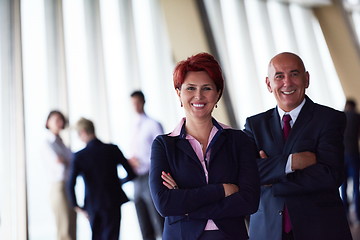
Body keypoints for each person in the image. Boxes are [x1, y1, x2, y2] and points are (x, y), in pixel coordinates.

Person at [149, 52, 260, 240]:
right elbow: (165, 204)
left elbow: (249, 201)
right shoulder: (164, 145)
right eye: (190, 88)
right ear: (179, 93)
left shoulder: (239, 140)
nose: (198, 96)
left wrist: (186, 206)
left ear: (217, 94)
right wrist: (222, 190)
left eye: (207, 88)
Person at [244, 52, 352, 240]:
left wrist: (272, 181)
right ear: (269, 84)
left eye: (294, 74)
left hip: (321, 229)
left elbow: (330, 175)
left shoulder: (329, 119)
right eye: (279, 76)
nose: (287, 82)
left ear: (307, 79)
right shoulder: (254, 125)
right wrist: (292, 162)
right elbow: (245, 173)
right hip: (268, 231)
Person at [67, 117, 136, 240]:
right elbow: (131, 174)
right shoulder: (112, 149)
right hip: (113, 201)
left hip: (93, 205)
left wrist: (77, 206)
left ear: (83, 132)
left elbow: (71, 184)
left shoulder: (79, 156)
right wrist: (118, 183)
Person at [129, 90, 164, 240]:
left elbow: (161, 152)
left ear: (143, 102)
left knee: (157, 218)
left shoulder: (153, 124)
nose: (135, 106)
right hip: (136, 177)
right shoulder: (131, 126)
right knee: (142, 219)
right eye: (132, 104)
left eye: (137, 102)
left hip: (150, 176)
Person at [43, 110, 77, 240]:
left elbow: (71, 162)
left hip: (68, 186)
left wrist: (65, 160)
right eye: (55, 119)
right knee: (64, 228)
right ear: (48, 122)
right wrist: (67, 160)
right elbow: (60, 164)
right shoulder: (47, 143)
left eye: (61, 119)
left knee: (72, 226)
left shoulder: (62, 143)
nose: (59, 122)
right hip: (58, 188)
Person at [341, 99, 360, 223]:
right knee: (355, 186)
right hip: (354, 154)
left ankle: (345, 215)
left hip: (341, 156)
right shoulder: (357, 117)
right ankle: (358, 215)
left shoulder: (339, 117)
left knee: (343, 186)